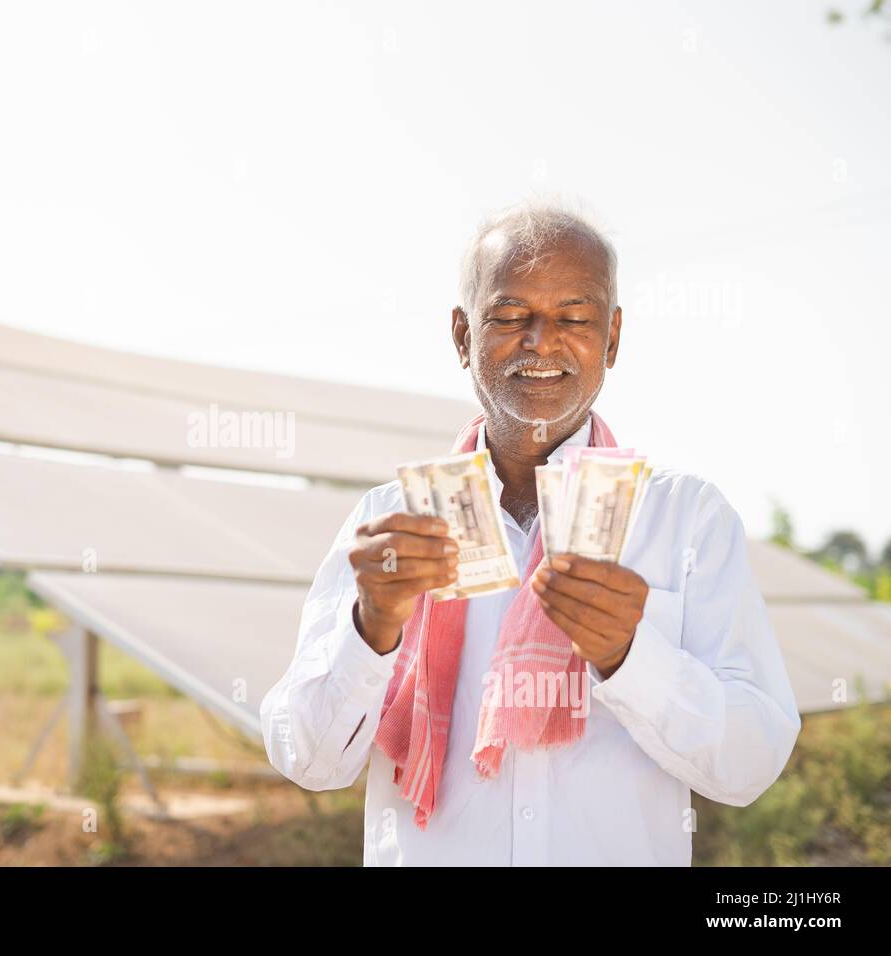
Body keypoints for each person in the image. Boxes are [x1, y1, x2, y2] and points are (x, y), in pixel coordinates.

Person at [260, 199, 801, 865]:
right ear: (462, 336)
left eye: (574, 317)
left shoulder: (686, 519)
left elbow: (750, 765)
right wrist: (371, 624)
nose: (541, 342)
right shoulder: (389, 527)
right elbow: (307, 761)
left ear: (612, 337)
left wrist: (631, 658)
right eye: (510, 317)